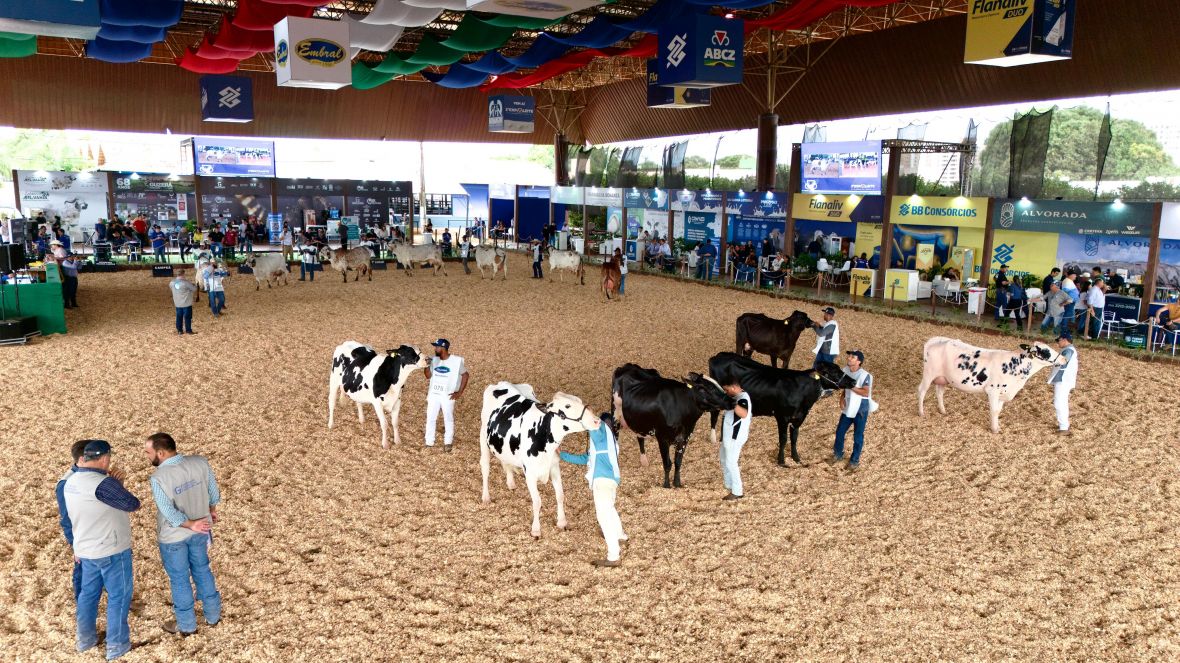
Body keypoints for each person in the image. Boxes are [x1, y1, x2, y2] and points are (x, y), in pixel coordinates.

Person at [63, 439, 141, 660]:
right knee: (118, 596)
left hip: (86, 550)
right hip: (112, 549)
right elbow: (132, 504)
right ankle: (117, 646)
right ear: (105, 458)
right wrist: (118, 484)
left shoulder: (71, 481)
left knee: (88, 595)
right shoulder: (103, 484)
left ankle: (85, 640)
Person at [144, 432, 222, 636]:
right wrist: (210, 511)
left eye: (148, 452)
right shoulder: (200, 462)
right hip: (202, 529)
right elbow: (213, 492)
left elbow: (168, 511)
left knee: (179, 579)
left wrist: (190, 524)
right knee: (203, 569)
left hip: (174, 536)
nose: (147, 456)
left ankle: (187, 625)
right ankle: (213, 615)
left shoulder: (158, 477)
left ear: (160, 453)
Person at [559, 412, 628, 567]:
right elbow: (585, 458)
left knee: (604, 517)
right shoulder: (608, 443)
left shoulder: (601, 436)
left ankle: (613, 556)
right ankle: (620, 535)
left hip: (602, 480)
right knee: (610, 510)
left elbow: (593, 428)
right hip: (610, 480)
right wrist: (562, 455)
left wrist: (586, 416)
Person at [55, 439, 91, 602]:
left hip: (96, 530)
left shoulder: (93, 473)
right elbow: (67, 517)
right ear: (82, 459)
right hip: (82, 534)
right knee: (82, 569)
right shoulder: (66, 483)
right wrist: (75, 543)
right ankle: (81, 602)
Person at [423, 339, 469, 452]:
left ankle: (448, 442)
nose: (435, 349)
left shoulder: (456, 361)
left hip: (447, 395)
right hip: (434, 394)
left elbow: (465, 375)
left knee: (448, 418)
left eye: (437, 347)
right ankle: (429, 442)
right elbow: (428, 376)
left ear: (443, 348)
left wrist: (459, 392)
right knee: (430, 418)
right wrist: (427, 365)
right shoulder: (433, 360)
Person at [831, 350, 873, 470]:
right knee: (840, 432)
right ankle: (838, 453)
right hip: (849, 407)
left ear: (859, 362)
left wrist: (851, 386)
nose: (849, 358)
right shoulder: (845, 371)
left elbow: (865, 392)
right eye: (849, 356)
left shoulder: (865, 375)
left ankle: (854, 461)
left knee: (858, 436)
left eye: (852, 357)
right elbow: (844, 387)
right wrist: (842, 397)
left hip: (860, 408)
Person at [717, 379, 752, 500]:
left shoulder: (742, 398)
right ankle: (729, 484)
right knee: (723, 459)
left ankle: (737, 491)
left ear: (734, 387)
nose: (726, 392)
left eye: (727, 390)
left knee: (731, 462)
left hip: (734, 437)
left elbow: (743, 413)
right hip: (728, 436)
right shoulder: (737, 397)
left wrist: (732, 403)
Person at [170, 268, 198, 335]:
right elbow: (194, 289)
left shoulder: (172, 283)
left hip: (177, 303)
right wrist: (194, 285)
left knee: (179, 317)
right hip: (186, 303)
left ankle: (180, 330)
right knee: (187, 317)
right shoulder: (186, 283)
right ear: (183, 274)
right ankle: (188, 330)